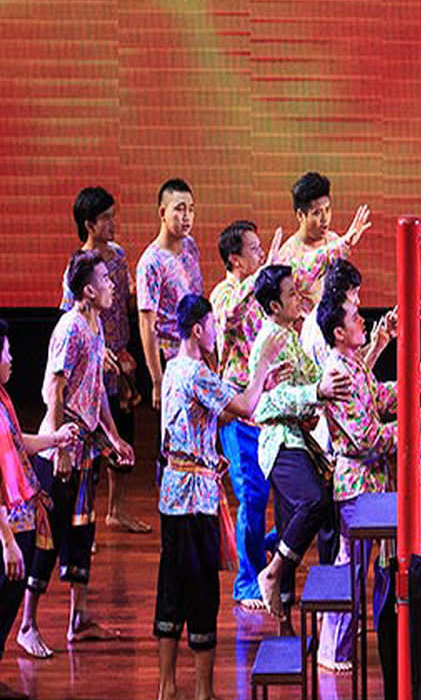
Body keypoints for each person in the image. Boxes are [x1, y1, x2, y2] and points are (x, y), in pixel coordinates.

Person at [20, 251, 137, 657]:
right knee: (49, 536)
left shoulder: (95, 323)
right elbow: (56, 389)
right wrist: (58, 446)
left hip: (85, 445)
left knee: (82, 531)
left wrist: (113, 436)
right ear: (88, 290)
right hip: (63, 447)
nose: (112, 285)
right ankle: (27, 624)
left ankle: (79, 618)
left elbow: (95, 388)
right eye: (105, 279)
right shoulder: (70, 328)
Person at [153, 294, 257, 700]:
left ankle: (167, 692)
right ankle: (203, 697)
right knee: (201, 593)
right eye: (213, 326)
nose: (216, 332)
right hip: (195, 499)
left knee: (172, 589)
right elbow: (245, 408)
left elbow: (219, 414)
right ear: (198, 329)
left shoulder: (174, 368)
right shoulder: (197, 373)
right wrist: (264, 366)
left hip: (172, 495)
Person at [246, 264, 354, 629]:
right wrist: (315, 393)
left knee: (294, 522)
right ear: (274, 306)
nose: (299, 298)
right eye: (291, 294)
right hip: (280, 440)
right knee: (313, 502)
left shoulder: (290, 336)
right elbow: (264, 403)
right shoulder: (269, 342)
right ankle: (272, 572)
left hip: (300, 439)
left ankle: (288, 623)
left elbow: (316, 381)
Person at [0, 319, 83, 700]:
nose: (11, 358)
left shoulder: (3, 400)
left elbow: (19, 445)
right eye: (5, 352)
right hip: (5, 527)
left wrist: (55, 439)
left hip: (19, 517)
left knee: (7, 602)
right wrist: (7, 541)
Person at [313, 274, 397, 672]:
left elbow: (379, 397)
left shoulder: (354, 366)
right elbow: (365, 437)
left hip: (373, 481)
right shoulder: (339, 374)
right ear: (338, 331)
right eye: (355, 316)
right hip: (356, 484)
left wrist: (416, 386)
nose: (363, 319)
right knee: (352, 566)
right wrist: (409, 428)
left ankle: (365, 638)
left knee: (375, 563)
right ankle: (332, 649)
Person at [60, 186, 145, 533]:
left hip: (121, 362)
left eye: (113, 216)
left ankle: (116, 510)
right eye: (106, 218)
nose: (113, 223)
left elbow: (124, 302)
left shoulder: (119, 256)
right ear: (89, 224)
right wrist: (100, 353)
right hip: (93, 368)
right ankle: (83, 519)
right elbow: (72, 320)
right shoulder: (78, 268)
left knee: (123, 436)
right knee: (91, 444)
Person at [211, 219, 273, 608]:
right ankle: (247, 582)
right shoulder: (224, 294)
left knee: (283, 493)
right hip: (237, 412)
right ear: (235, 259)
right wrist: (259, 280)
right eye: (254, 249)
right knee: (251, 495)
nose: (260, 254)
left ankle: (263, 550)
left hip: (265, 408)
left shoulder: (260, 296)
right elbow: (230, 317)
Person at [273, 171, 372, 353]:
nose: (325, 219)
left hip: (334, 337)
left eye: (327, 210)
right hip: (306, 343)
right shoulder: (288, 255)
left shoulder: (333, 240)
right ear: (300, 215)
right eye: (317, 213)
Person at [135, 178, 204, 413]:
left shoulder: (190, 245)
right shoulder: (151, 262)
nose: (187, 217)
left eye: (191, 209)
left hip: (196, 352)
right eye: (180, 209)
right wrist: (157, 379)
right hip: (171, 357)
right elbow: (147, 324)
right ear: (162, 213)